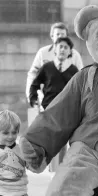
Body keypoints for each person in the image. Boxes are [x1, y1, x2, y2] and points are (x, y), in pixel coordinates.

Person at [29, 36, 78, 172]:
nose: (62, 49)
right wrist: (33, 100)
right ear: (55, 50)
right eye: (60, 46)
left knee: (61, 142)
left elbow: (79, 91)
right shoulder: (47, 67)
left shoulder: (74, 71)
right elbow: (35, 84)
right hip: (48, 109)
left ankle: (57, 170)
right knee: (50, 140)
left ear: (70, 52)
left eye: (66, 47)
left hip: (66, 112)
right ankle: (51, 167)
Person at [26, 22, 83, 102]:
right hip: (46, 99)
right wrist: (31, 96)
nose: (60, 37)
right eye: (58, 34)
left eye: (63, 35)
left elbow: (81, 77)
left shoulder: (75, 55)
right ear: (52, 36)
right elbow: (33, 74)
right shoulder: (43, 53)